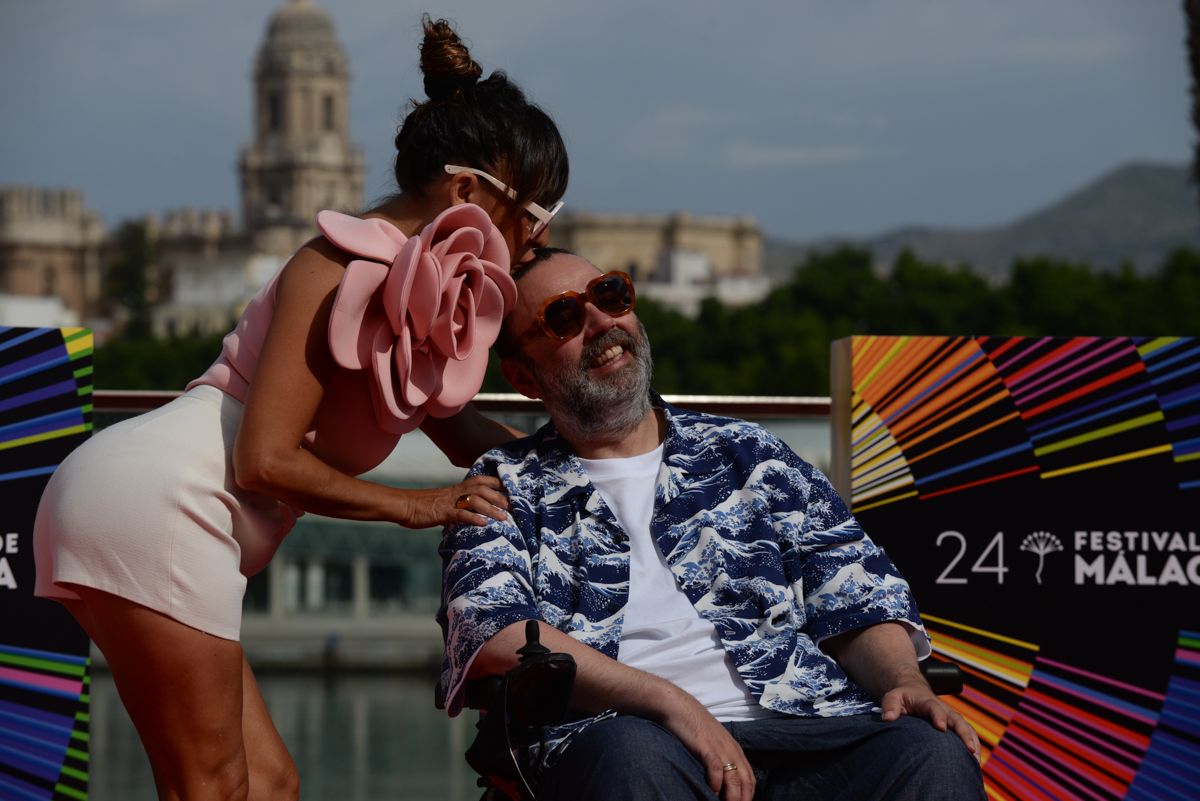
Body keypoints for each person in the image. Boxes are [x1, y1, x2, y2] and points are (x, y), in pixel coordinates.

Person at [33, 17, 567, 801]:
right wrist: (416, 508)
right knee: (211, 785)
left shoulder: (411, 288)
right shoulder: (334, 262)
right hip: (162, 503)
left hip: (168, 508)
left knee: (270, 782)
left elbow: (463, 435)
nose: (539, 241)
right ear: (466, 192)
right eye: (538, 214)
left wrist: (589, 457)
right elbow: (265, 460)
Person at [438, 249, 986, 801]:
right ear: (523, 376)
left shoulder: (748, 452)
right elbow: (495, 634)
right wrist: (673, 703)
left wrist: (903, 682)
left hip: (808, 724)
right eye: (563, 317)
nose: (603, 322)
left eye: (610, 296)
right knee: (631, 759)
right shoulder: (506, 483)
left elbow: (857, 593)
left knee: (930, 754)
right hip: (627, 735)